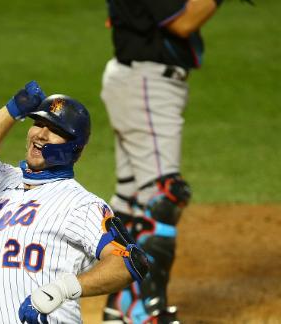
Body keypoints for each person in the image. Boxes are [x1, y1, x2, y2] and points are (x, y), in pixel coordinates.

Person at [0, 81, 149, 324]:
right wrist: (12, 110)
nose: (40, 134)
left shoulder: (80, 204)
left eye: (54, 130)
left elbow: (130, 261)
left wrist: (63, 288)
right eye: (38, 123)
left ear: (73, 146)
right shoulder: (1, 181)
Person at [100, 0, 221, 322]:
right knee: (162, 198)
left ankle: (121, 304)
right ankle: (144, 312)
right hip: (146, 83)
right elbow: (182, 22)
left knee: (134, 199)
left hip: (139, 80)